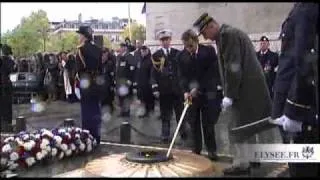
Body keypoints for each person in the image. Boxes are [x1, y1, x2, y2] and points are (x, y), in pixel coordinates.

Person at [193, 13, 273, 175]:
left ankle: (241, 163)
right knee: (248, 125)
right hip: (249, 88)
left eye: (204, 33)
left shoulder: (227, 36)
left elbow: (233, 67)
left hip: (244, 90)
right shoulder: (227, 35)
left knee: (236, 127)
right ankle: (253, 158)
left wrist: (229, 94)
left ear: (211, 26)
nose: (205, 37)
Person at [272, 3, 319, 177]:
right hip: (297, 107)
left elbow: (305, 60)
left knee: (303, 169)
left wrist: (295, 110)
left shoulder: (307, 8)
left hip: (301, 115)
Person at [177, 29, 223, 160]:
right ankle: (196, 150)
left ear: (196, 41)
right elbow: (181, 77)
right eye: (186, 47)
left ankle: (212, 150)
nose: (189, 49)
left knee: (208, 124)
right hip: (191, 97)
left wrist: (198, 87)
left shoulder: (208, 52)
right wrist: (185, 91)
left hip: (207, 94)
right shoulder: (181, 56)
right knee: (193, 123)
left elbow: (212, 74)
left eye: (190, 46)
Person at [151, 29, 188, 144]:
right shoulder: (156, 55)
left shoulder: (177, 53)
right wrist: (155, 88)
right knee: (165, 114)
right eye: (163, 40)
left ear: (170, 40)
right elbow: (153, 73)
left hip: (177, 89)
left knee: (179, 112)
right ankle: (165, 134)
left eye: (167, 39)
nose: (165, 42)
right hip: (164, 89)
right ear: (160, 41)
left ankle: (183, 132)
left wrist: (184, 86)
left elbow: (182, 71)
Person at [75, 26, 103, 145]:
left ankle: (87, 138)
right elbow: (101, 68)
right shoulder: (98, 49)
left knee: (86, 112)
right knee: (95, 110)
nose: (79, 37)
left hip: (86, 83)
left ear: (84, 36)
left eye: (80, 35)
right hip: (96, 83)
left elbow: (79, 69)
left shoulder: (81, 49)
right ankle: (96, 137)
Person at [133, 45, 155, 118]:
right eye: (142, 51)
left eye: (145, 51)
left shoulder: (150, 60)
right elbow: (136, 71)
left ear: (147, 51)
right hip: (140, 83)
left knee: (148, 98)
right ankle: (143, 112)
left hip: (147, 83)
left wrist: (151, 83)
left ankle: (148, 112)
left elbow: (152, 73)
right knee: (141, 98)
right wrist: (135, 81)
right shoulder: (139, 60)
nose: (143, 53)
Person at [115, 42, 136, 117]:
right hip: (119, 81)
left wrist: (130, 80)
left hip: (126, 80)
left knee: (126, 97)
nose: (120, 48)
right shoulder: (118, 57)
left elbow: (132, 69)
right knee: (120, 97)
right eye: (120, 47)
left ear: (125, 48)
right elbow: (117, 69)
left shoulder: (129, 56)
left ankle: (127, 112)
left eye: (122, 47)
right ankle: (122, 112)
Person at [0, 44, 15, 132]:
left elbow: (9, 70)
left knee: (6, 106)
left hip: (5, 86)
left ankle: (6, 124)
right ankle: (6, 123)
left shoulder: (6, 60)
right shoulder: (8, 60)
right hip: (5, 85)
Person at [101, 47, 116, 113]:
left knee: (109, 98)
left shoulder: (109, 64)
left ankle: (110, 109)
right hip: (102, 85)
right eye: (102, 56)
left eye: (104, 55)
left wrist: (112, 85)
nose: (102, 57)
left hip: (108, 84)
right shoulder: (100, 64)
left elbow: (112, 74)